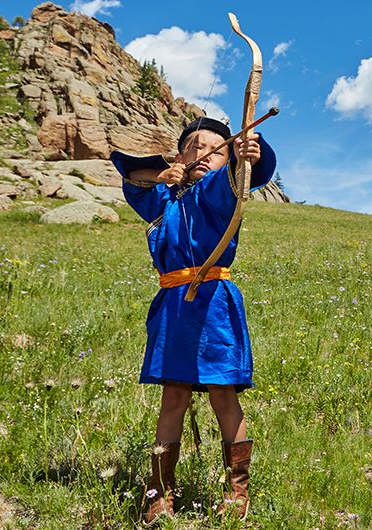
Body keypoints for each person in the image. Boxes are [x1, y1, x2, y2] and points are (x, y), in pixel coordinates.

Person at [109, 116, 276, 523]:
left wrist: (244, 160)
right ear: (180, 154)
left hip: (214, 302)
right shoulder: (164, 199)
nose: (204, 153)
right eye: (195, 146)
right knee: (173, 397)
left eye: (217, 149)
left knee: (223, 393)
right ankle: (159, 494)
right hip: (173, 306)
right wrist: (164, 176)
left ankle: (238, 491)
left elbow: (238, 180)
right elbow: (134, 180)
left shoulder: (218, 191)